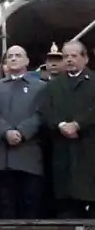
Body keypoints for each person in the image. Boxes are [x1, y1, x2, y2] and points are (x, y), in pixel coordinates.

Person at [0, 45, 46, 219]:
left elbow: (41, 114)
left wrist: (22, 131)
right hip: (3, 155)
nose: (13, 58)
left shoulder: (40, 86)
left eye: (18, 55)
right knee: (5, 204)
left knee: (30, 202)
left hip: (30, 153)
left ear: (27, 61)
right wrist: (6, 132)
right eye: (10, 56)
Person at [38, 40, 95, 218]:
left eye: (74, 56)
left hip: (88, 147)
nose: (69, 59)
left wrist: (78, 124)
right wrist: (61, 125)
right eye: (66, 56)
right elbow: (46, 109)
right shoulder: (53, 85)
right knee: (65, 203)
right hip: (61, 147)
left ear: (85, 59)